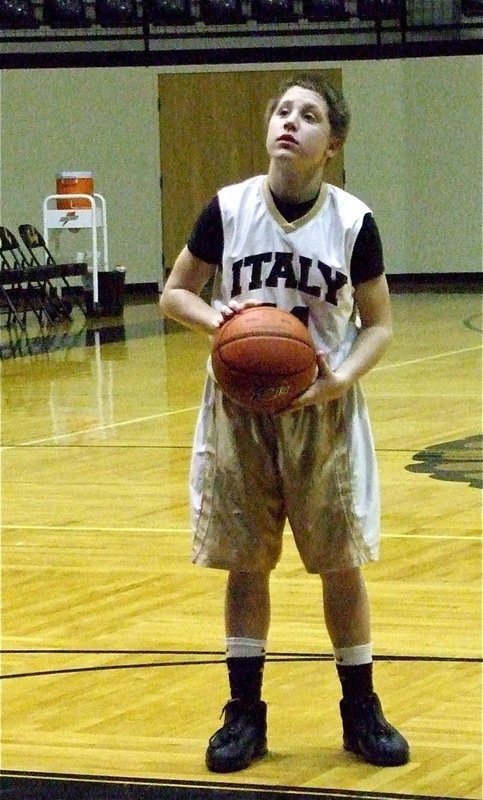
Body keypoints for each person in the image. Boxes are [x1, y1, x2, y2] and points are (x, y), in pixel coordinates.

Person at [159, 73, 410, 773]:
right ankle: (244, 712)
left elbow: (379, 326)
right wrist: (223, 323)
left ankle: (359, 707)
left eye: (307, 115)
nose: (288, 123)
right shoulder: (227, 208)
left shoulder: (352, 221)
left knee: (339, 563)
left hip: (320, 409)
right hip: (238, 408)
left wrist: (337, 378)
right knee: (245, 561)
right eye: (281, 111)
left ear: (332, 145)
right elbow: (175, 292)